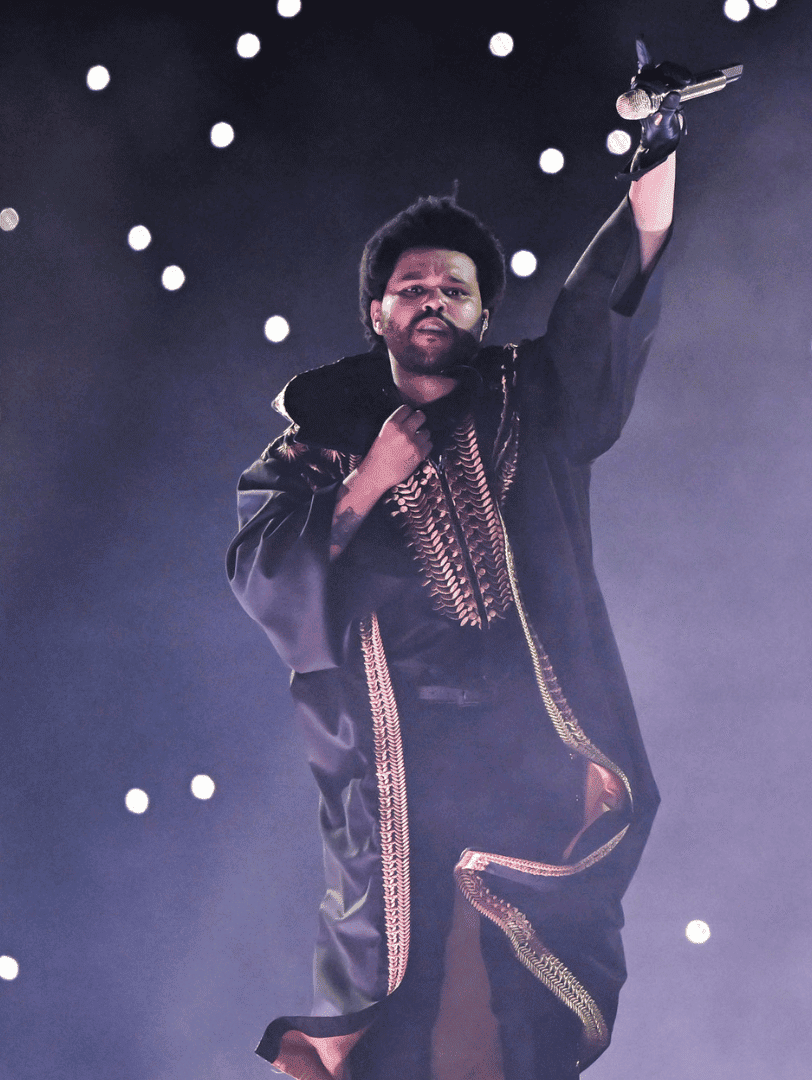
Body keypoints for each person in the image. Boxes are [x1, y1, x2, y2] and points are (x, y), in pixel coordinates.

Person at [227, 51, 693, 1080]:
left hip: (531, 763)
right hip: (396, 785)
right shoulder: (322, 439)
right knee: (401, 1017)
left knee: (511, 1022)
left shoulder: (529, 398)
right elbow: (261, 574)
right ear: (377, 316)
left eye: (455, 287)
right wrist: (367, 482)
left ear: (483, 312)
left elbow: (608, 310)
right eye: (410, 288)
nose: (432, 299)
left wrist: (655, 146)